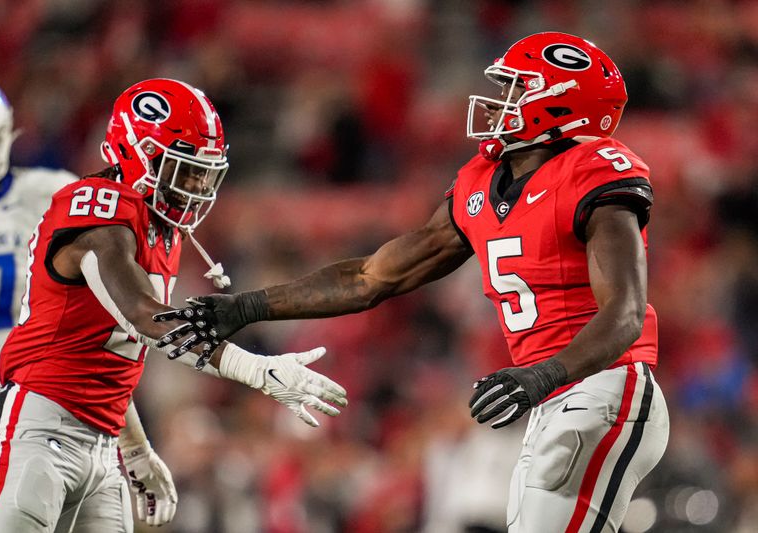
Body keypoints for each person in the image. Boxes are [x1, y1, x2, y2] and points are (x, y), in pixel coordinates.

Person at [157, 32, 670, 532]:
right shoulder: (481, 180)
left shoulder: (595, 172)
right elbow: (371, 277)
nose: (498, 101)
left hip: (604, 388)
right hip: (557, 395)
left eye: (517, 89)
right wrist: (245, 308)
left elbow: (624, 315)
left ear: (560, 107)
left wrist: (542, 376)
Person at [0, 77, 347, 533]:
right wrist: (257, 370)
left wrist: (137, 449)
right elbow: (144, 317)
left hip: (100, 444)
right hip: (37, 428)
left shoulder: (156, 226)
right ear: (137, 153)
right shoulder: (97, 210)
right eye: (184, 170)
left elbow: (112, 353)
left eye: (204, 173)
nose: (196, 186)